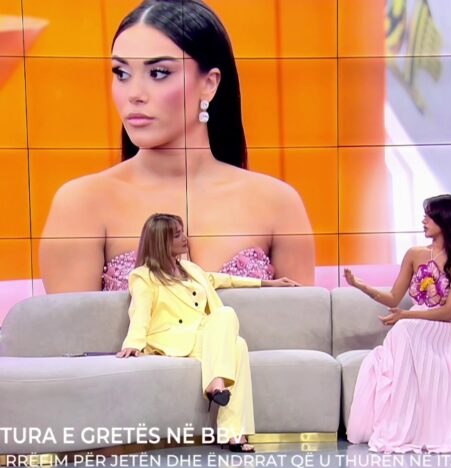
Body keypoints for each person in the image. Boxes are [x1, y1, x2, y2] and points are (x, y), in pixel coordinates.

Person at [39, 0, 315, 294]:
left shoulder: (278, 204)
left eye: (158, 73)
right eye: (121, 73)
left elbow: (300, 321)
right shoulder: (82, 204)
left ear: (209, 84)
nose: (134, 94)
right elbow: (72, 323)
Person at [116, 213, 299, 452]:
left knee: (238, 343)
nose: (185, 238)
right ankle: (228, 417)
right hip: (172, 338)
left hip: (201, 335)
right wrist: (133, 343)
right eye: (177, 235)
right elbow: (140, 311)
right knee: (229, 323)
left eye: (183, 232)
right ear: (161, 242)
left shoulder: (190, 269)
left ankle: (229, 425)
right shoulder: (143, 276)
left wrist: (268, 283)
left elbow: (225, 280)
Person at [344, 194, 451, 453]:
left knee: (405, 328)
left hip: (450, 326)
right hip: (417, 320)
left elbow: (448, 312)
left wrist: (405, 316)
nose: (423, 221)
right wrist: (360, 285)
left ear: (446, 220)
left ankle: (422, 425)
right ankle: (403, 422)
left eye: (429, 216)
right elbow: (393, 298)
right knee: (404, 331)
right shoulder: (415, 254)